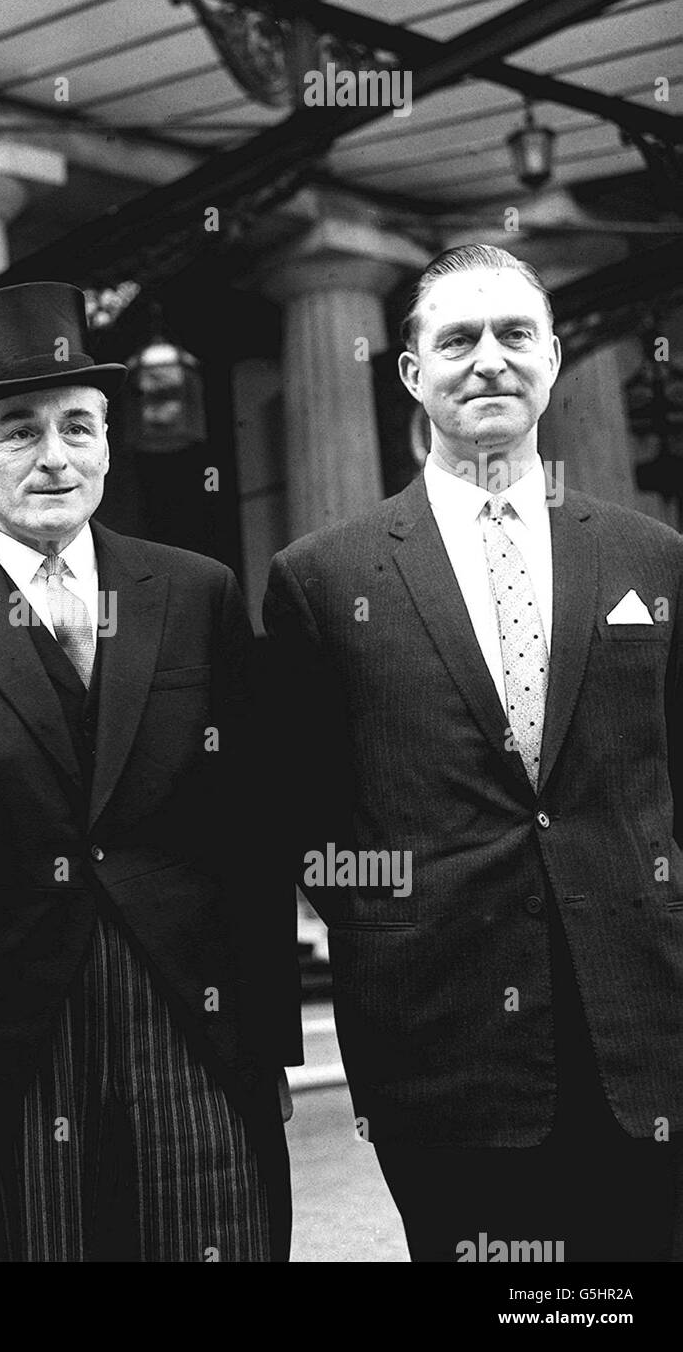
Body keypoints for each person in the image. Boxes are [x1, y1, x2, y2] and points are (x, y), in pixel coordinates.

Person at [0, 281, 301, 1262]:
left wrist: (268, 1042)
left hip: (194, 1036)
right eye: (18, 430)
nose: (54, 456)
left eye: (77, 426)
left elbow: (250, 831)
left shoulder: (196, 592)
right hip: (3, 1056)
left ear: (108, 442)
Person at [263, 244, 683, 1262]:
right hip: (444, 1047)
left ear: (549, 362)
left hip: (649, 1033)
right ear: (412, 374)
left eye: (513, 335)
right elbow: (300, 816)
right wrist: (386, 933)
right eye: (456, 339)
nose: (487, 359)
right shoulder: (322, 580)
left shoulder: (651, 559)